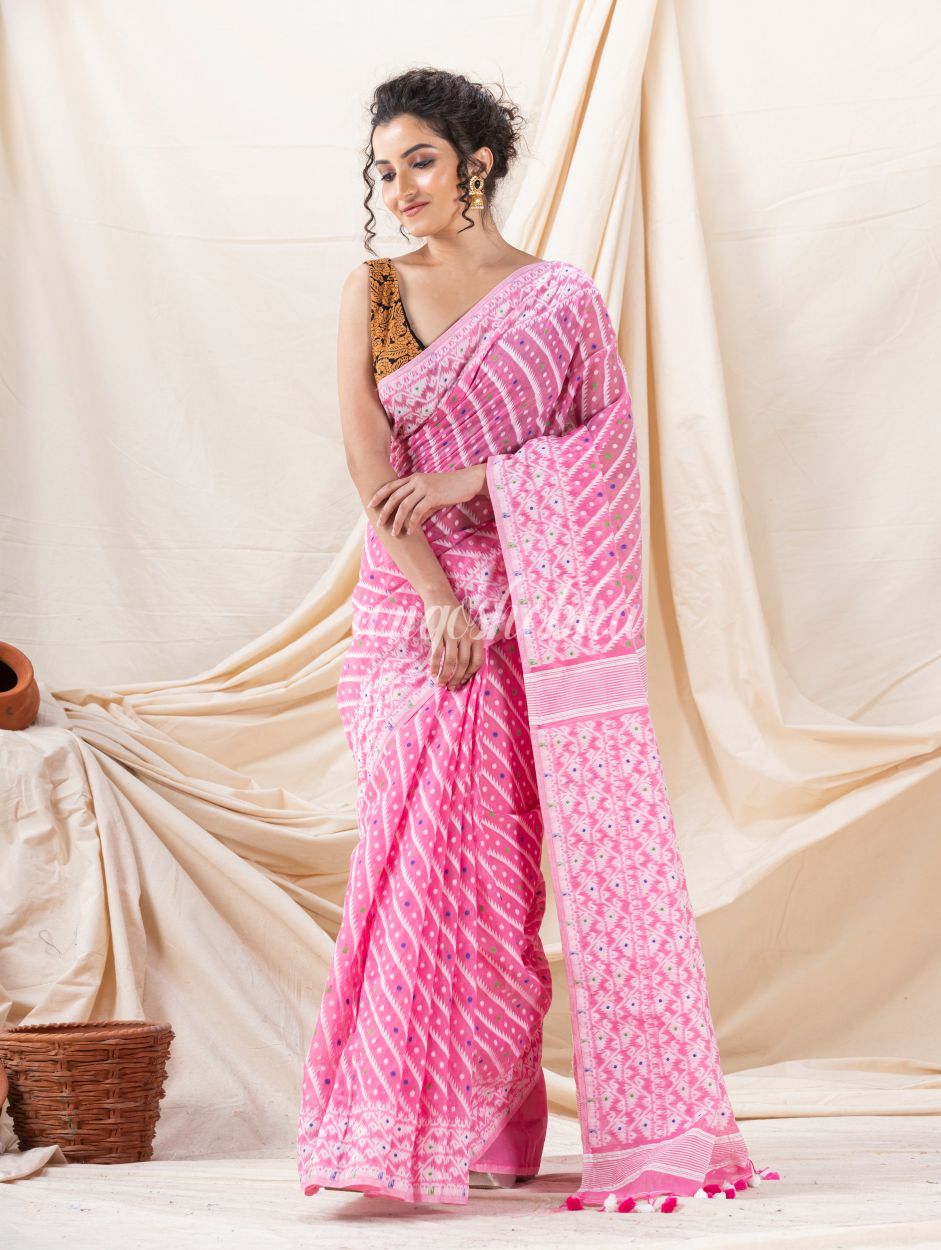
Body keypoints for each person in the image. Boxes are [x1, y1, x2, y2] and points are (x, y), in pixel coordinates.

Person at [297, 67, 781, 1214]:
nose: (399, 188)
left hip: (532, 615)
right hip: (411, 618)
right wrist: (439, 599)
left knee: (496, 881)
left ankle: (493, 1125)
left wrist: (479, 478)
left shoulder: (559, 302)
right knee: (415, 864)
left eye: (420, 160)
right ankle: (393, 1127)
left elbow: (604, 457)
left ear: (477, 162)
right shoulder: (374, 291)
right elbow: (370, 464)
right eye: (384, 169)